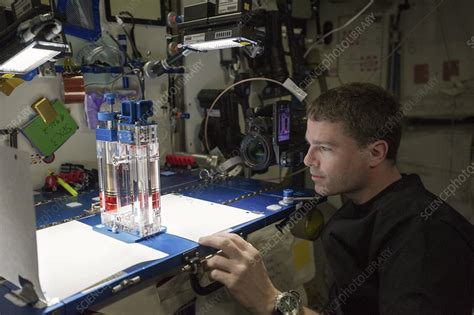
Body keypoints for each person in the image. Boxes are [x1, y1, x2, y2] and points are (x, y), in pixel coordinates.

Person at [199, 83, 474, 315]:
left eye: (325, 148)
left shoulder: (424, 234)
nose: (308, 160)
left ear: (376, 153)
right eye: (309, 145)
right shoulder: (363, 209)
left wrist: (272, 301)